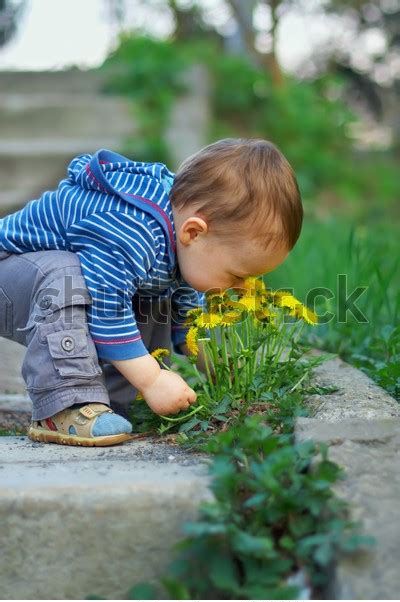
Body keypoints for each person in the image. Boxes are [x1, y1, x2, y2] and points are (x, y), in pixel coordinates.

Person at [0, 138, 302, 447]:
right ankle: (66, 405)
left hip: (45, 289)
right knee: (69, 274)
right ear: (194, 232)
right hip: (10, 275)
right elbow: (108, 309)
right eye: (238, 275)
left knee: (154, 297)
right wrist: (153, 380)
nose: (243, 288)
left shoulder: (180, 241)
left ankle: (121, 405)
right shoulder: (134, 232)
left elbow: (187, 320)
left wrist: (222, 368)